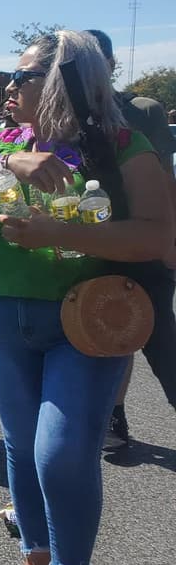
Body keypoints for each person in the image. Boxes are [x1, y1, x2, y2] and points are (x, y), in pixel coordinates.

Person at [0, 30, 173, 565]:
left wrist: (54, 235)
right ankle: (36, 562)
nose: (10, 89)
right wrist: (5, 164)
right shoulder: (3, 139)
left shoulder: (122, 144)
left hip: (88, 319)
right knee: (20, 444)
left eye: (23, 77)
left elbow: (157, 237)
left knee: (60, 451)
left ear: (65, 82)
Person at [85, 29, 176, 445]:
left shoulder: (143, 110)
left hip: (138, 243)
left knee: (160, 341)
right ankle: (113, 416)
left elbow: (165, 181)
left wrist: (169, 243)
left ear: (111, 64)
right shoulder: (57, 115)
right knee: (105, 335)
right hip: (83, 247)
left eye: (93, 59)